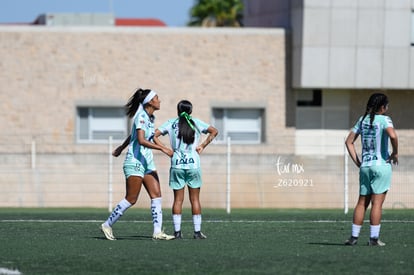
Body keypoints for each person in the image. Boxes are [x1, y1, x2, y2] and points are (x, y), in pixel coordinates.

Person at [101, 88, 175, 241]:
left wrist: (121, 147)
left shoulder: (149, 118)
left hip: (147, 162)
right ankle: (107, 224)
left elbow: (134, 135)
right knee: (131, 199)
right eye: (157, 97)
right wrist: (162, 148)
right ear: (150, 101)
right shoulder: (141, 116)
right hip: (134, 162)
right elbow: (141, 140)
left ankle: (157, 232)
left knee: (156, 197)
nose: (159, 100)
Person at [153, 100, 218, 239]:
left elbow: (154, 135)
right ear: (191, 111)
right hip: (193, 164)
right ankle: (197, 232)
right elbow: (214, 131)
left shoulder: (171, 123)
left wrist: (165, 149)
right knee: (195, 199)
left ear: (178, 110)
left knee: (178, 200)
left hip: (177, 163)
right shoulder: (195, 122)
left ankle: (177, 233)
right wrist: (203, 145)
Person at [344, 93, 398, 246]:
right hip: (381, 166)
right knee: (377, 204)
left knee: (361, 203)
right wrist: (395, 153)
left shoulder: (362, 120)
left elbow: (349, 142)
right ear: (383, 107)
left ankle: (353, 238)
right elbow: (393, 136)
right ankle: (373, 239)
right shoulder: (385, 119)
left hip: (365, 167)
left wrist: (358, 162)